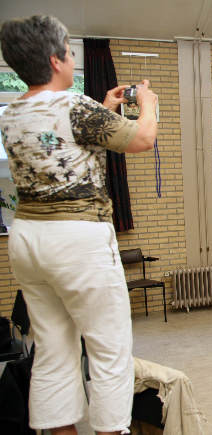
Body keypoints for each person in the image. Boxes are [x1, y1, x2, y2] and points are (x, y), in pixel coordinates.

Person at [0, 15, 158, 435]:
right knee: (109, 349)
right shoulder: (73, 106)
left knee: (53, 350)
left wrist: (104, 109)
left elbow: (62, 147)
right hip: (77, 238)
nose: (72, 58)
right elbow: (141, 139)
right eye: (70, 52)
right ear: (56, 61)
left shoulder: (11, 113)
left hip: (28, 238)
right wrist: (149, 104)